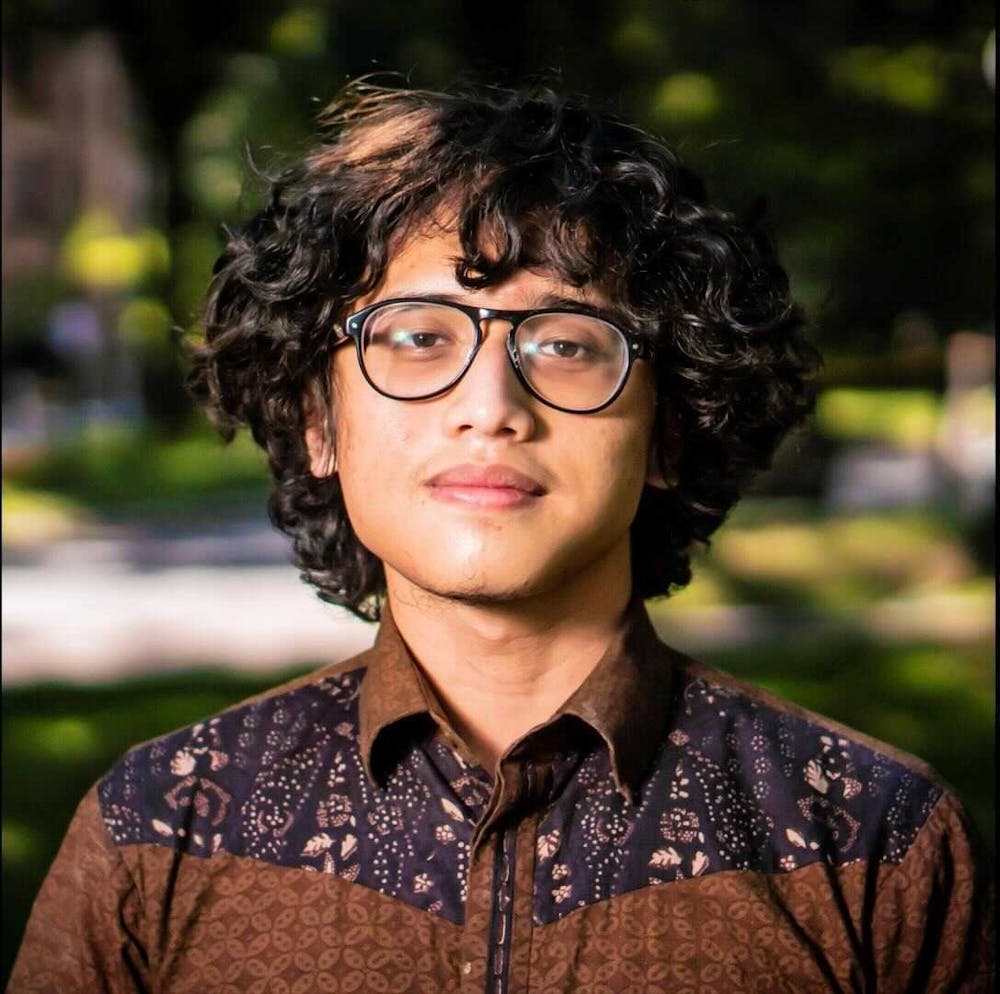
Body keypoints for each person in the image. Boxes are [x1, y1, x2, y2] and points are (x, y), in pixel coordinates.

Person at [10, 81, 993, 994]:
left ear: (667, 431)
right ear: (318, 421)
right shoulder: (159, 831)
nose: (489, 407)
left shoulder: (874, 844)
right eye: (418, 337)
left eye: (565, 344)